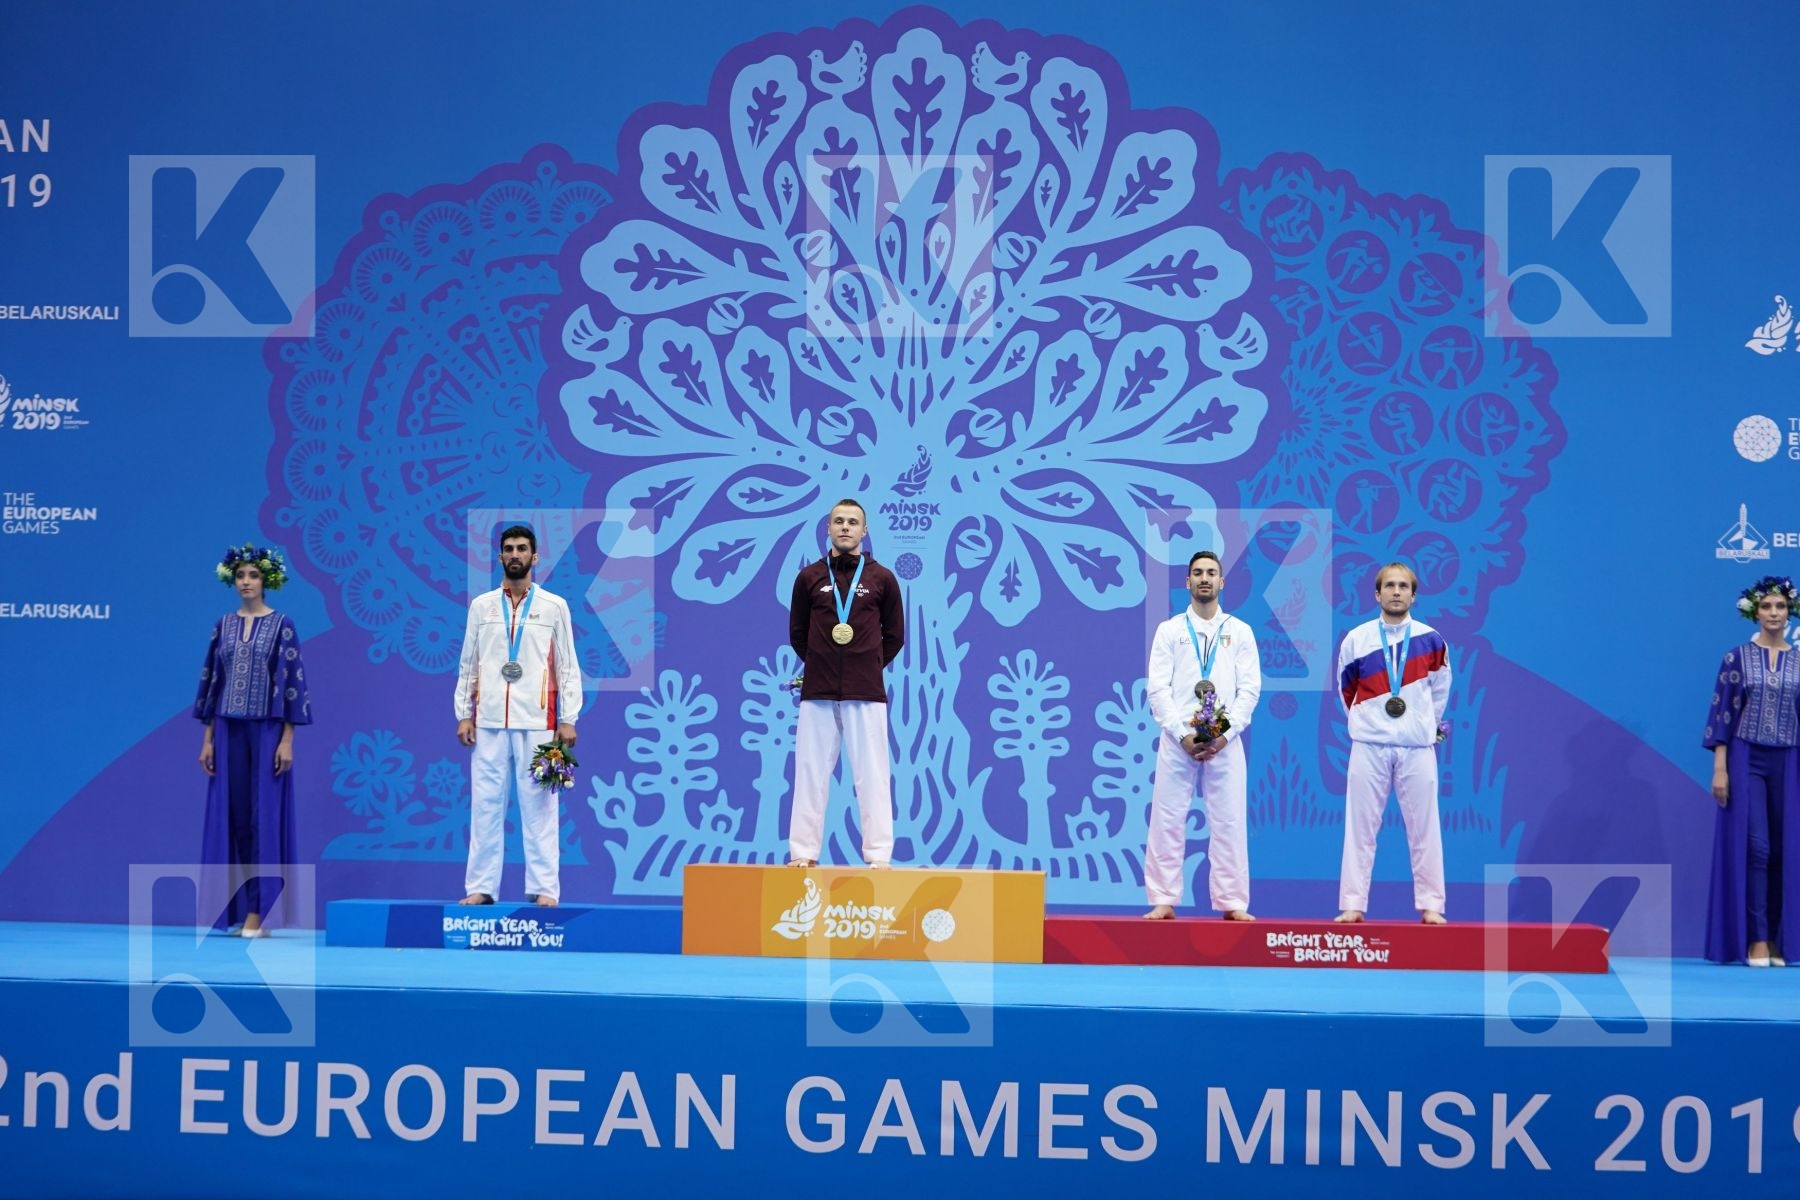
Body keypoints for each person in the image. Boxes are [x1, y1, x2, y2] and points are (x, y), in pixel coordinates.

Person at [453, 525, 581, 906]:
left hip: (539, 722)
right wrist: (464, 712)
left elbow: (568, 665)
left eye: (522, 549)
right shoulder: (482, 606)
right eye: (508, 549)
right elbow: (468, 663)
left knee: (540, 808)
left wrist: (568, 717)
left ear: (535, 557)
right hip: (490, 720)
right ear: (499, 557)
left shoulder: (554, 606)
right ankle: (480, 888)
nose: (515, 554)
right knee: (485, 806)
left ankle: (545, 889)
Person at [194, 543, 312, 937]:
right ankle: (241, 909)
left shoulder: (282, 625)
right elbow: (213, 682)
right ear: (232, 579)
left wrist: (287, 739)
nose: (247, 582)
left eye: (254, 576)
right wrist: (209, 739)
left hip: (266, 730)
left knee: (265, 818)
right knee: (236, 819)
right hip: (227, 729)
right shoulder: (223, 625)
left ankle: (261, 913)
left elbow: (292, 683)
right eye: (241, 575)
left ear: (267, 580)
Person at [1143, 550, 1262, 920]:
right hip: (1178, 739)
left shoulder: (1240, 631)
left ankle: (1232, 902)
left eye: (1212, 572)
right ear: (1188, 582)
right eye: (1198, 573)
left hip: (1224, 740)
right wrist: (1182, 734)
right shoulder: (1170, 630)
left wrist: (1222, 734)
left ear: (1222, 582)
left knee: (1229, 820)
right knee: (1167, 817)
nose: (1205, 578)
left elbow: (1250, 690)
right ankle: (1163, 899)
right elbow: (1157, 688)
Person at [786, 499, 904, 868]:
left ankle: (879, 857)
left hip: (866, 691)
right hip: (818, 691)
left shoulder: (882, 578)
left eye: (853, 522)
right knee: (810, 773)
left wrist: (866, 665)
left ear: (864, 531)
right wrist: (821, 662)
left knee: (872, 775)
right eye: (839, 521)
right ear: (828, 528)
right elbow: (798, 633)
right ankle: (803, 855)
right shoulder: (809, 578)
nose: (845, 527)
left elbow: (895, 635)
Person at [1334, 562, 1451, 924]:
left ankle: (1431, 906)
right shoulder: (1357, 639)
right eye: (1390, 586)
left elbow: (1440, 692)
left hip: (1417, 748)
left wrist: (1420, 726)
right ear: (1377, 594)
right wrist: (1368, 721)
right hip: (1369, 744)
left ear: (1413, 595)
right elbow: (1346, 690)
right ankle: (1353, 905)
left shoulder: (1432, 640)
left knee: (1426, 829)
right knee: (1359, 828)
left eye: (1403, 586)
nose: (1396, 591)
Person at [1703, 575, 1800, 966]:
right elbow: (1721, 715)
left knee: (1785, 849)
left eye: (1780, 607)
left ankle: (1780, 940)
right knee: (1757, 847)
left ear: (1788, 612)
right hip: (1747, 757)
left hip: (1790, 758)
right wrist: (1720, 768)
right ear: (1754, 612)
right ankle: (1757, 938)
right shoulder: (1736, 658)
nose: (1773, 614)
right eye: (1766, 607)